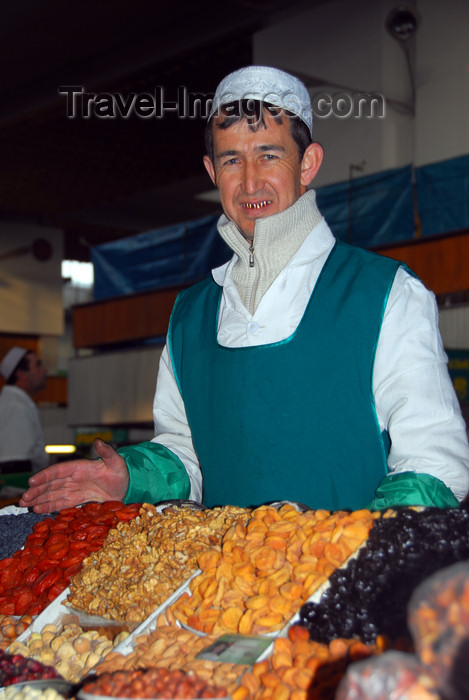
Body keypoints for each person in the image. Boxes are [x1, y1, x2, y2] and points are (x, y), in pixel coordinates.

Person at [20, 65, 469, 514]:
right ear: (212, 171)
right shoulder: (190, 314)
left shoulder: (385, 293)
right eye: (232, 160)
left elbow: (433, 463)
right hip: (220, 583)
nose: (250, 181)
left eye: (269, 155)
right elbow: (187, 453)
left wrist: (360, 554)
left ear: (308, 163)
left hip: (350, 578)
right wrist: (133, 476)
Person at [0, 346, 49, 473]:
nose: (44, 371)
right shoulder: (15, 406)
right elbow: (14, 465)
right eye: (37, 366)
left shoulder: (17, 402)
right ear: (20, 374)